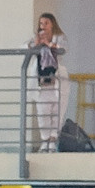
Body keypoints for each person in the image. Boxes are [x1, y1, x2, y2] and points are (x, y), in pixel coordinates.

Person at [30, 12, 67, 151]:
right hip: (42, 85)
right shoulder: (36, 39)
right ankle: (45, 139)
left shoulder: (60, 38)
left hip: (56, 83)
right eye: (41, 24)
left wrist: (49, 44)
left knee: (57, 112)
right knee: (42, 113)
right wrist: (35, 44)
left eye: (46, 23)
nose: (43, 26)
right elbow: (24, 47)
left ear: (52, 25)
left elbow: (63, 50)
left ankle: (53, 139)